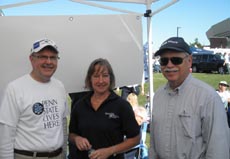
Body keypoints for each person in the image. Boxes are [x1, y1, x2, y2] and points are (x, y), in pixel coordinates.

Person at [149, 37, 230, 159]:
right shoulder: (158, 95)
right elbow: (154, 143)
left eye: (176, 60)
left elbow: (218, 149)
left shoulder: (208, 97)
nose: (169, 65)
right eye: (164, 61)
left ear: (190, 61)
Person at [0, 38, 69, 159]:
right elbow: (6, 132)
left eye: (53, 57)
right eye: (42, 57)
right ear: (32, 59)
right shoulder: (15, 88)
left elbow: (62, 124)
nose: (48, 62)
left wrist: (63, 153)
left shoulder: (59, 86)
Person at [69, 58, 140, 159]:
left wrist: (110, 151)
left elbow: (135, 138)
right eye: (96, 76)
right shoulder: (80, 105)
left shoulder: (121, 105)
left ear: (110, 78)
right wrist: (77, 139)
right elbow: (71, 134)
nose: (101, 80)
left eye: (105, 76)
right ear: (90, 79)